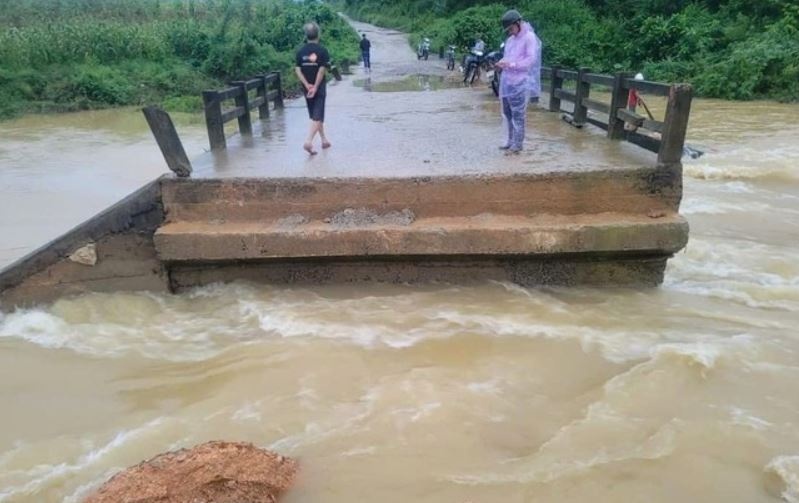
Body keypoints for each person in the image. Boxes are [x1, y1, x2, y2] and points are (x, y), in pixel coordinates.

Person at [495, 9, 538, 154]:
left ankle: (517, 144)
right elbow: (508, 57)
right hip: (507, 82)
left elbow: (530, 60)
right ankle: (510, 140)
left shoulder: (529, 37)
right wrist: (502, 63)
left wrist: (512, 65)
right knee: (507, 113)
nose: (510, 32)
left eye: (511, 28)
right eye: (508, 30)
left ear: (518, 23)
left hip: (520, 82)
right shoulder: (510, 40)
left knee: (518, 115)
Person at [295, 22, 331, 155]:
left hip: (306, 87)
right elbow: (321, 71)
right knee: (318, 115)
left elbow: (298, 70)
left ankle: (324, 140)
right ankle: (308, 141)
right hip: (319, 86)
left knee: (315, 114)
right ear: (318, 34)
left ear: (306, 35)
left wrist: (307, 85)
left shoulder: (300, 51)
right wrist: (315, 87)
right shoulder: (322, 51)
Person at [527, 24, 542, 104]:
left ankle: (534, 98)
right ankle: (533, 99)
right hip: (532, 67)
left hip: (533, 66)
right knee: (532, 81)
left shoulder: (532, 39)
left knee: (533, 81)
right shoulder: (535, 39)